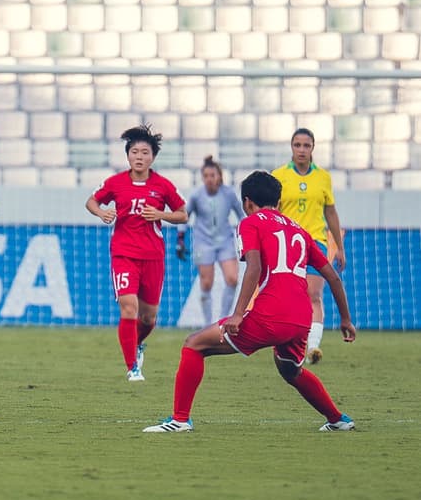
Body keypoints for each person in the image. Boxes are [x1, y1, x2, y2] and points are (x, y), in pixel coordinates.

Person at [143, 171, 356, 434]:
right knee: (290, 370)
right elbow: (333, 278)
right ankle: (338, 419)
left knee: (194, 345)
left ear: (246, 202)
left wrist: (238, 314)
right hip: (302, 319)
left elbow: (253, 268)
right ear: (278, 202)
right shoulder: (299, 231)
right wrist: (345, 319)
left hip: (271, 315)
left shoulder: (251, 223)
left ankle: (180, 419)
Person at [85, 124, 187, 382]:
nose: (139, 157)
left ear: (153, 156)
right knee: (128, 308)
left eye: (144, 152)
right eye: (134, 152)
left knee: (149, 318)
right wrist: (102, 212)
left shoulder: (163, 186)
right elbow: (92, 201)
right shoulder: (116, 183)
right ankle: (133, 367)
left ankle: (137, 344)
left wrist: (161, 214)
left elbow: (183, 214)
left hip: (153, 256)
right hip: (124, 254)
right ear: (128, 155)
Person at [272, 128, 346, 364]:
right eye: (297, 145)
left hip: (315, 241)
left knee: (314, 293)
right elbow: (272, 212)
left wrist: (340, 247)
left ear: (313, 148)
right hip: (287, 243)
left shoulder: (323, 177)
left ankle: (313, 347)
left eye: (306, 145)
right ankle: (290, 343)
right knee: (289, 297)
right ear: (291, 147)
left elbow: (331, 212)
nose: (301, 150)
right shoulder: (279, 176)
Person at [176, 155, 246, 327]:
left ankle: (222, 320)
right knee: (206, 283)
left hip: (225, 242)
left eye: (212, 175)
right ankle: (208, 323)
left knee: (232, 279)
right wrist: (180, 239)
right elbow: (184, 216)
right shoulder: (196, 195)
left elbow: (241, 215)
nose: (209, 179)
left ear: (219, 176)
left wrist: (245, 235)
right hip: (203, 242)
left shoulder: (229, 194)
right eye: (205, 176)